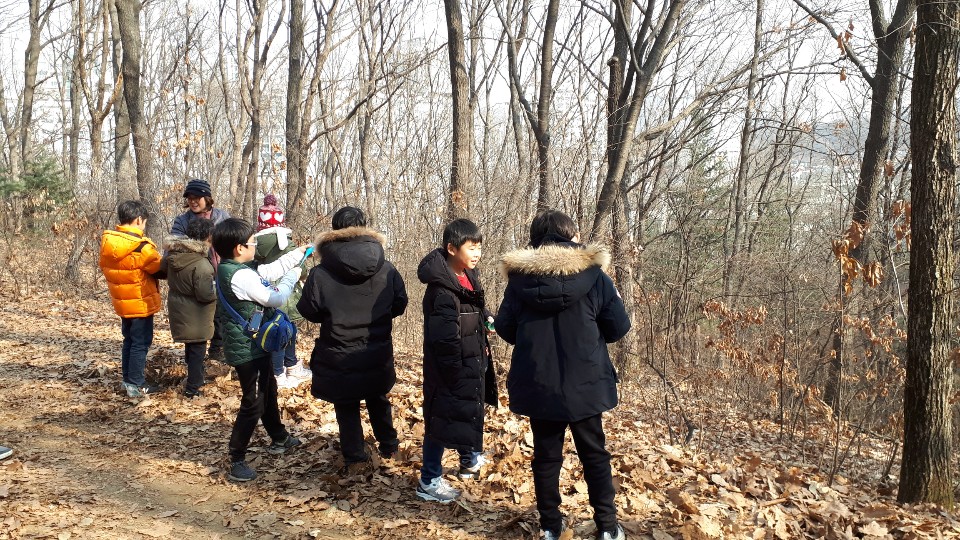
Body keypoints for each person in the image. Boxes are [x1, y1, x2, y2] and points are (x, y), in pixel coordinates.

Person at [495, 210, 631, 540]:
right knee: (594, 455)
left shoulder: (520, 280)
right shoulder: (596, 276)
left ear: (535, 240)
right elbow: (618, 328)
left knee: (546, 458)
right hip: (586, 385)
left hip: (539, 384)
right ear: (571, 236)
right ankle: (608, 528)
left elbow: (506, 330)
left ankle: (550, 528)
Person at [297, 206, 408, 469]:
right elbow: (399, 304)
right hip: (376, 348)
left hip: (339, 351)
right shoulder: (386, 268)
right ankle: (389, 446)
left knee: (346, 404)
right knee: (377, 396)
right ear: (365, 228)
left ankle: (355, 458)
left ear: (334, 231)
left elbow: (309, 311)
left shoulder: (321, 272)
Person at [212, 217, 308, 482]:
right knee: (253, 402)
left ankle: (279, 437)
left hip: (255, 344)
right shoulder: (239, 275)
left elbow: (269, 270)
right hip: (247, 349)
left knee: (268, 391)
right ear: (239, 248)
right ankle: (236, 458)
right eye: (253, 242)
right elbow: (274, 297)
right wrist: (292, 277)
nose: (256, 245)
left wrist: (298, 254)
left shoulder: (235, 268)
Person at [415, 218, 497, 503]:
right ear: (452, 248)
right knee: (440, 420)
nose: (477, 254)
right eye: (471, 248)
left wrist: (487, 319)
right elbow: (445, 341)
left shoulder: (468, 276)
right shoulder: (441, 289)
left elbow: (474, 307)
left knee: (467, 410)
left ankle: (469, 460)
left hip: (471, 358)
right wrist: (455, 372)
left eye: (479, 248)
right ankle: (429, 480)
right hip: (449, 368)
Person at [100, 200, 164, 398]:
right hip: (140, 302)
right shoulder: (141, 247)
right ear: (138, 220)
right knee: (140, 343)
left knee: (129, 340)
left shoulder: (109, 244)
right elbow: (160, 269)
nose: (144, 226)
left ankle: (128, 380)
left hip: (122, 302)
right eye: (144, 222)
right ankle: (136, 384)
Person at [254, 194, 311, 389]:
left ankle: (288, 365)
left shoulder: (254, 244)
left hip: (263, 292)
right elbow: (301, 268)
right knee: (284, 331)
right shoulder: (287, 244)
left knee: (272, 329)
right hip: (286, 293)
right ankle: (281, 371)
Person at [171, 178, 230, 360]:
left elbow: (233, 239)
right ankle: (195, 356)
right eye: (189, 198)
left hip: (220, 270)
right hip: (195, 272)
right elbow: (175, 245)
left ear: (207, 198)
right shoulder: (182, 220)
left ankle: (217, 349)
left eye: (197, 198)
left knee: (220, 312)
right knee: (197, 313)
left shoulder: (222, 216)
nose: (193, 201)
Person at [162, 218, 216, 398]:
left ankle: (195, 379)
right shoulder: (201, 264)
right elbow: (205, 294)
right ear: (208, 237)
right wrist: (217, 292)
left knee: (192, 348)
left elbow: (161, 270)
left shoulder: (174, 254)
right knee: (197, 351)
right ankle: (193, 388)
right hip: (197, 314)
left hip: (180, 309)